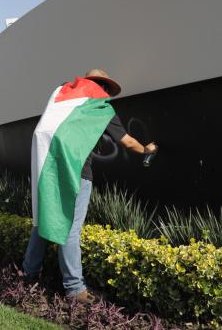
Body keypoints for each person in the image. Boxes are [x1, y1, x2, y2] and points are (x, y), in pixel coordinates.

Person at [22, 69, 157, 304]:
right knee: (70, 228)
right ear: (103, 87)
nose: (106, 94)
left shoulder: (62, 97)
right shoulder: (100, 108)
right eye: (106, 90)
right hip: (76, 172)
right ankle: (75, 289)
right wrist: (147, 149)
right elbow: (127, 142)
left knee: (43, 219)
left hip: (45, 164)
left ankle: (29, 272)